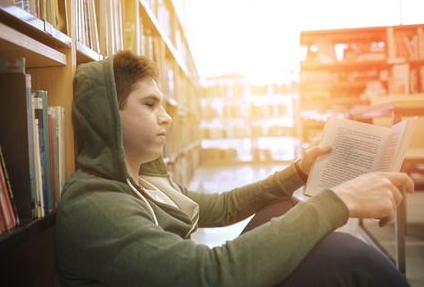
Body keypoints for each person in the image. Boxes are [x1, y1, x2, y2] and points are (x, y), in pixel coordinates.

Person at [55, 50, 415, 287]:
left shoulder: (144, 180)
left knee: (280, 209)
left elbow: (222, 207)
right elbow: (207, 274)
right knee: (347, 260)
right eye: (149, 105)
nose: (165, 117)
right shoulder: (95, 205)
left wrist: (299, 172)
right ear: (107, 119)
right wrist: (338, 201)